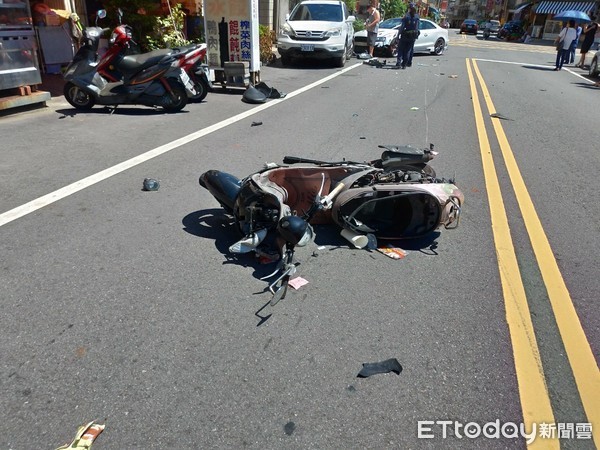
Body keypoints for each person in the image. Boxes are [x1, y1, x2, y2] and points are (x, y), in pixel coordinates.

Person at [395, 3, 420, 69]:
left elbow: (402, 27)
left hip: (405, 35)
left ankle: (398, 63)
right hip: (412, 36)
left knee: (400, 49)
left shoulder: (406, 16)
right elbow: (417, 27)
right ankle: (404, 64)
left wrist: (398, 35)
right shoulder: (417, 16)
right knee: (408, 50)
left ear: (409, 8)